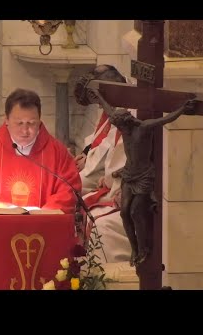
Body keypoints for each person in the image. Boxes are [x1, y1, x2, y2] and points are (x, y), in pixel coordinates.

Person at [0, 88, 81, 289]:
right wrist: (2, 208)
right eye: (19, 123)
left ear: (40, 120)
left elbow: (69, 186)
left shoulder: (56, 151)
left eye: (32, 123)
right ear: (6, 120)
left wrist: (45, 212)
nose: (25, 130)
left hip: (43, 231)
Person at [80, 83, 196, 267]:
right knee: (125, 213)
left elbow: (166, 120)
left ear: (126, 121)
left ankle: (141, 251)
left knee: (133, 212)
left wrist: (183, 108)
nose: (117, 127)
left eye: (119, 124)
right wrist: (97, 94)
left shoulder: (142, 128)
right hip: (128, 176)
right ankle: (135, 249)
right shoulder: (122, 127)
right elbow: (109, 109)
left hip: (143, 178)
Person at [73, 65, 135, 264]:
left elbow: (122, 160)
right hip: (114, 183)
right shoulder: (119, 104)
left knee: (98, 224)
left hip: (132, 192)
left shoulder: (130, 116)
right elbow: (105, 144)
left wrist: (110, 180)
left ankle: (102, 277)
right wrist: (85, 153)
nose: (101, 107)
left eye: (100, 101)